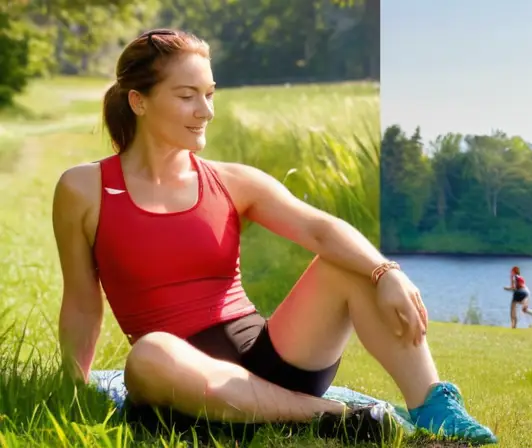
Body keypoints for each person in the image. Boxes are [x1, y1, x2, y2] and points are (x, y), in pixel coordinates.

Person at [52, 28, 497, 445]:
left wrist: (386, 272)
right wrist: (74, 386)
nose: (205, 111)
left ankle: (431, 406)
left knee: (350, 266)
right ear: (138, 101)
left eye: (209, 95)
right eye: (187, 96)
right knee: (148, 356)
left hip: (271, 360)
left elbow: (320, 229)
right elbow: (81, 299)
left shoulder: (231, 181)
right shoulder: (84, 189)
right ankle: (336, 417)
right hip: (180, 379)